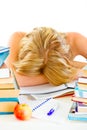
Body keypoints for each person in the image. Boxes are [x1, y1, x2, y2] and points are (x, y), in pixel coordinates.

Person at [5, 27, 87, 87]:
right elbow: (11, 80)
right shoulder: (17, 38)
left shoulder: (75, 40)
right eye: (39, 72)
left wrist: (72, 67)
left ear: (65, 54)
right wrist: (63, 74)